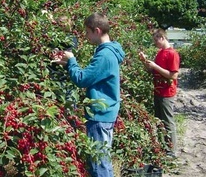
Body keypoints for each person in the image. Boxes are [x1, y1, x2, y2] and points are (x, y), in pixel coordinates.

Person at [53, 12, 125, 177]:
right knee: (100, 160)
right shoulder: (109, 51)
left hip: (100, 115)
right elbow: (93, 75)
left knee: (99, 164)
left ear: (97, 31)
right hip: (105, 113)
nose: (85, 36)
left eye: (87, 32)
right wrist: (67, 65)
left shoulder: (104, 55)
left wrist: (72, 60)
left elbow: (82, 79)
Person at [139, 28, 180, 156]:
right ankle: (163, 147)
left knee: (167, 121)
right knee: (159, 120)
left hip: (167, 93)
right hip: (158, 90)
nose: (155, 43)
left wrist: (155, 66)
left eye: (156, 40)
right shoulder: (160, 53)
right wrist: (145, 62)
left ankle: (171, 151)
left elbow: (173, 75)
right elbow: (153, 72)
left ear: (162, 38)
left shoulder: (172, 54)